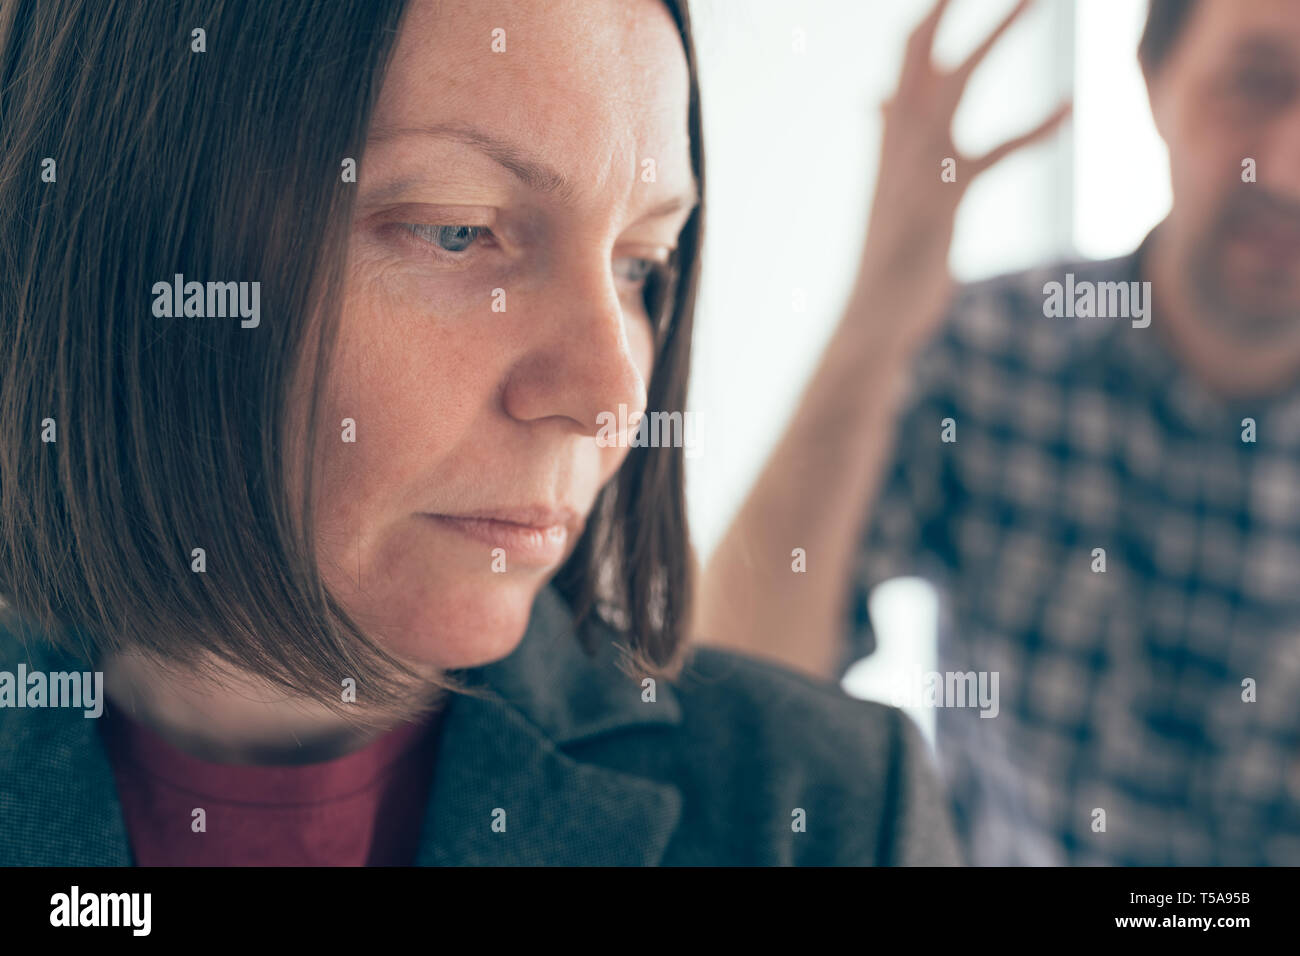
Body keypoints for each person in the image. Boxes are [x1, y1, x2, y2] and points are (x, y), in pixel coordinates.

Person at [0, 0, 959, 867]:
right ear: (131, 246)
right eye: (459, 231)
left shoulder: (825, 808)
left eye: (641, 265)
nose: (612, 399)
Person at [698, 0, 1300, 865]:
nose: (1286, 168)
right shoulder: (988, 353)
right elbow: (735, 696)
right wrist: (878, 311)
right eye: (1254, 84)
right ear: (1154, 79)